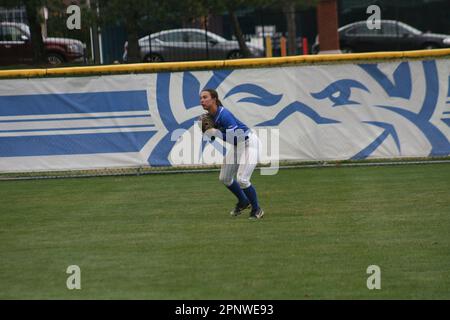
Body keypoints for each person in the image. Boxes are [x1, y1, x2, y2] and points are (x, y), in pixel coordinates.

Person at [199, 88, 264, 220]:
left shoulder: (224, 114)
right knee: (224, 177)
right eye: (201, 98)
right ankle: (244, 201)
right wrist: (209, 133)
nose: (202, 100)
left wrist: (215, 133)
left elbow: (237, 137)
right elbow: (212, 137)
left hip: (249, 143)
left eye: (205, 97)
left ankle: (257, 209)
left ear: (214, 99)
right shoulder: (210, 116)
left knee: (242, 179)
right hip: (238, 145)